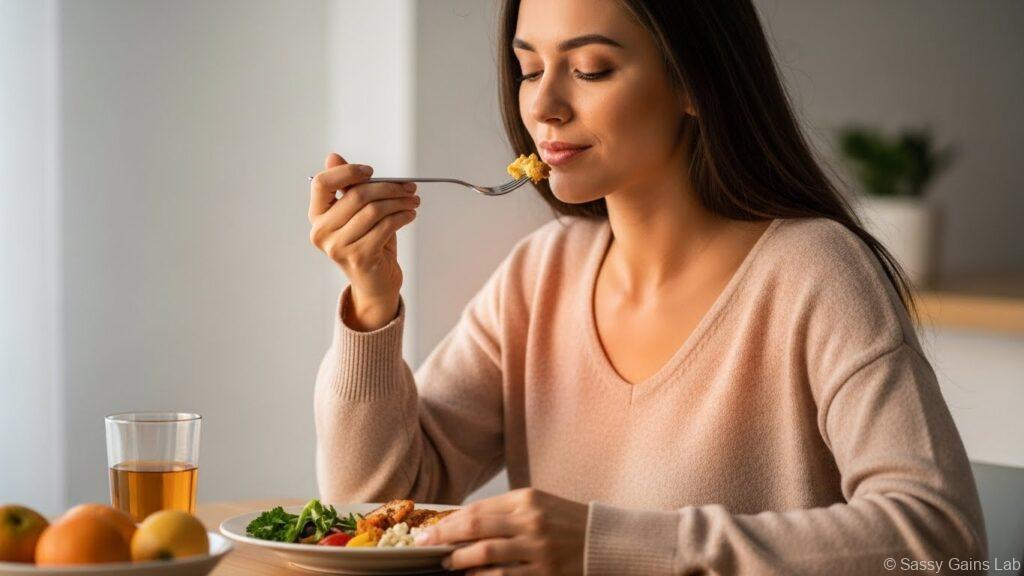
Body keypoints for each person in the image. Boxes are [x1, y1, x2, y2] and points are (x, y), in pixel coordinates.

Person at [306, 0, 987, 574]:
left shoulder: (815, 272)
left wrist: (610, 548)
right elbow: (373, 509)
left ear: (695, 82)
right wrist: (372, 300)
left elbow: (941, 541)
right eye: (529, 67)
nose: (543, 105)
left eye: (591, 69)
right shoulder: (539, 276)